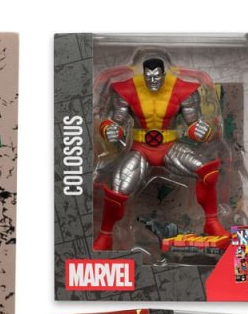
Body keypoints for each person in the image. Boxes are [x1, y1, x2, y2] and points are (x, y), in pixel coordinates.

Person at [93, 56, 226, 250]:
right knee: (117, 189)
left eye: (156, 76)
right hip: (140, 149)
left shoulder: (181, 89)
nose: (152, 81)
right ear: (143, 75)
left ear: (164, 74)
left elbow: (194, 122)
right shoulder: (128, 89)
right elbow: (114, 121)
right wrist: (109, 129)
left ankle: (211, 222)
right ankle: (105, 235)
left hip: (169, 147)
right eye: (148, 77)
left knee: (207, 171)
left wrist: (201, 130)